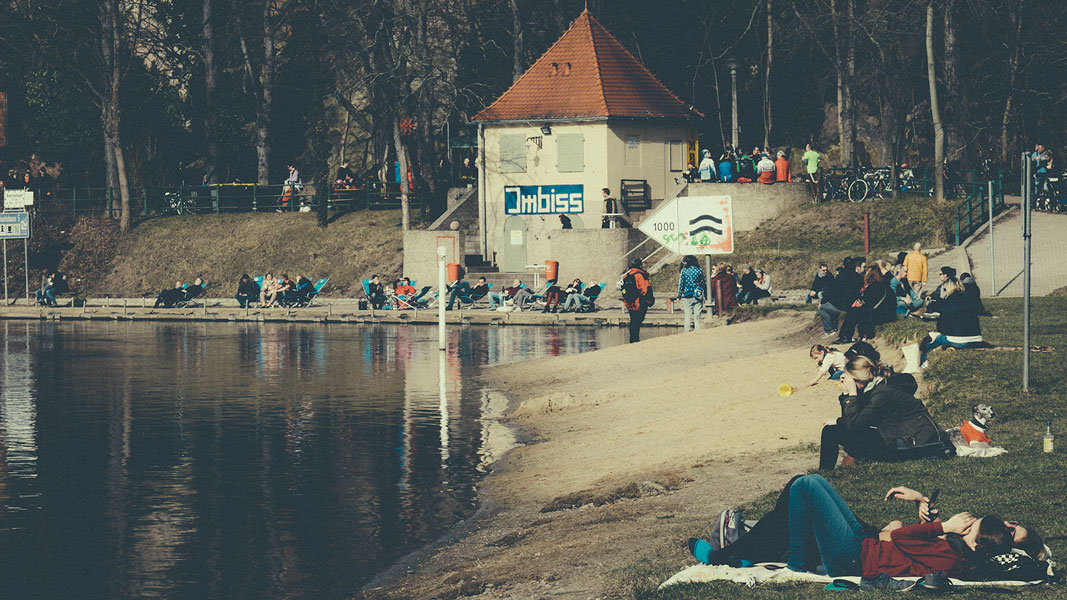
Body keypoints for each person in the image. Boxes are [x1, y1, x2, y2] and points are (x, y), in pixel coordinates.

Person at [687, 474, 1013, 581]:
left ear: (978, 541)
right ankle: (747, 553)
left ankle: (794, 563)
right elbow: (907, 547)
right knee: (804, 482)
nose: (966, 525)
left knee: (805, 489)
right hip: (865, 543)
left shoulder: (953, 558)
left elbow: (900, 537)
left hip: (852, 558)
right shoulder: (955, 549)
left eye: (972, 527)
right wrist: (923, 509)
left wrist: (943, 525)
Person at [819, 355, 945, 470]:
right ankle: (829, 470)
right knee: (835, 431)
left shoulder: (882, 394)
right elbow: (853, 419)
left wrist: (851, 395)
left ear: (858, 379)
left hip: (911, 444)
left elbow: (854, 424)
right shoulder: (875, 387)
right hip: (898, 437)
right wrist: (846, 394)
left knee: (844, 433)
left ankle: (829, 471)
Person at [919, 276, 986, 365]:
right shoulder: (969, 298)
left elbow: (941, 326)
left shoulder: (949, 301)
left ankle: (924, 363)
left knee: (929, 343)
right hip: (977, 338)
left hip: (959, 339)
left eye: (945, 290)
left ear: (949, 289)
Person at [618, 258, 654, 343]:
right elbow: (645, 289)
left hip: (629, 302)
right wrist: (648, 300)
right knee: (637, 321)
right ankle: (635, 340)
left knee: (633, 321)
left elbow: (622, 289)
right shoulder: (639, 275)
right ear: (640, 265)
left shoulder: (627, 276)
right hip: (639, 302)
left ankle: (632, 339)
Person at [676, 255, 706, 332]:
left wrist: (679, 296)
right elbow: (703, 283)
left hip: (687, 295)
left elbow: (681, 284)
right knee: (697, 315)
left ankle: (686, 331)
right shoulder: (699, 270)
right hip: (697, 295)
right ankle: (697, 330)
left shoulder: (684, 271)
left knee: (688, 315)